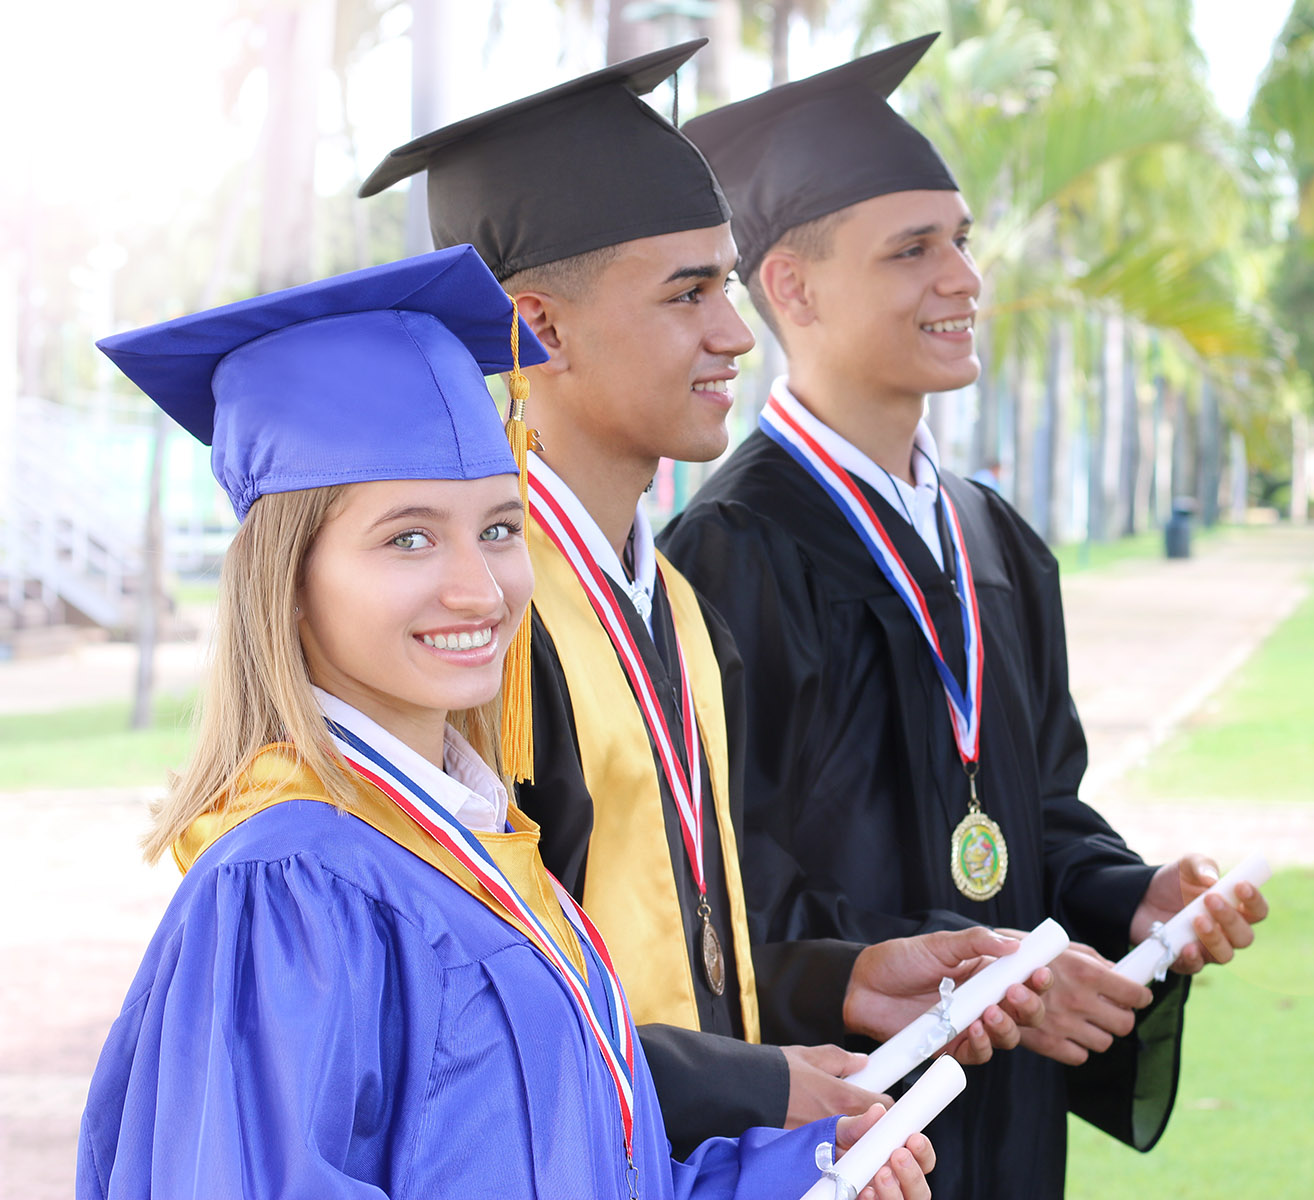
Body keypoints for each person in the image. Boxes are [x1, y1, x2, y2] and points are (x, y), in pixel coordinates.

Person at [78, 245, 933, 1200]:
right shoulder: (294, 888)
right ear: (290, 583)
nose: (479, 587)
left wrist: (802, 1174)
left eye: (496, 527)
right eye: (407, 537)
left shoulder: (491, 856)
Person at [357, 48, 1045, 1156]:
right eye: (687, 293)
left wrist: (841, 974)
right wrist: (751, 1088)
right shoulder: (470, 624)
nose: (734, 334)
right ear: (537, 327)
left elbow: (694, 938)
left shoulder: (669, 595)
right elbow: (462, 1011)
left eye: (726, 284)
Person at [662, 36, 1269, 1199]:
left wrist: (1124, 893)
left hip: (1011, 1109)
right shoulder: (733, 553)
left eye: (963, 241)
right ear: (790, 285)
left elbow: (1035, 809)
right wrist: (955, 970)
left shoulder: (994, 537)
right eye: (914, 250)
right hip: (856, 1121)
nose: (965, 278)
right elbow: (725, 890)